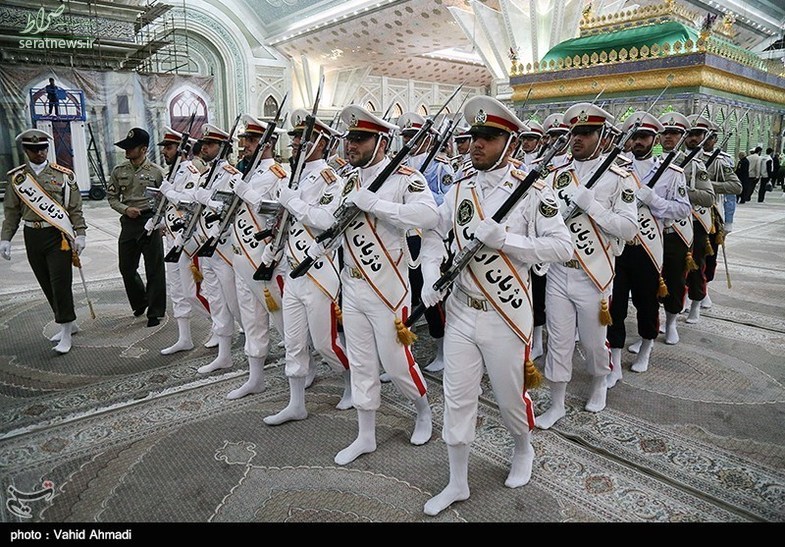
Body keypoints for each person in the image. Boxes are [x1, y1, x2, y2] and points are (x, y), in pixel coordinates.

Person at [419, 96, 572, 517]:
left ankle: (523, 448)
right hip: (461, 311)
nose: (477, 144)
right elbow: (433, 235)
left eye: (488, 137)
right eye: (474, 136)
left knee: (508, 398)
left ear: (510, 142)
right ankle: (457, 482)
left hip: (506, 312)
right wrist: (430, 274)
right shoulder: (459, 188)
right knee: (457, 398)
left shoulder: (534, 191)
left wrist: (508, 241)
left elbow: (563, 246)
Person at [316, 104, 438, 467]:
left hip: (388, 288)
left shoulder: (404, 178)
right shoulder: (348, 179)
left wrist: (378, 205)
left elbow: (429, 215)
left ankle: (423, 410)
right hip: (352, 285)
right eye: (349, 138)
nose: (350, 145)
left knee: (396, 363)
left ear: (381, 142)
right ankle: (365, 434)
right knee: (362, 363)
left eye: (360, 138)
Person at [535, 102, 638, 430]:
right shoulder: (556, 175)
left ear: (603, 136)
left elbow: (629, 229)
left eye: (586, 132)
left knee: (594, 342)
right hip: (558, 270)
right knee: (559, 340)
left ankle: (599, 382)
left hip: (594, 272)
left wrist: (593, 206)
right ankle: (557, 403)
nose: (577, 138)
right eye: (574, 132)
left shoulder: (619, 178)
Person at [260, 109, 353, 421]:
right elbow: (286, 222)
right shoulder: (293, 177)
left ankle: (351, 382)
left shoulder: (331, 180)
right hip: (292, 269)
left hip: (319, 272)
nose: (296, 143)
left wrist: (292, 202)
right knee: (294, 342)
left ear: (321, 142)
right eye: (296, 138)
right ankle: (296, 404)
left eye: (304, 138)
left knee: (326, 344)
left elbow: (326, 220)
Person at [606, 112, 690, 385]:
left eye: (643, 137)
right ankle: (614, 360)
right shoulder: (615, 167)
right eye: (634, 137)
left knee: (646, 302)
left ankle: (646, 347)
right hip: (619, 245)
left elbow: (682, 209)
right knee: (615, 305)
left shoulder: (672, 173)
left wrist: (654, 200)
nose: (638, 142)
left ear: (655, 139)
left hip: (649, 247)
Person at [2, 129, 86, 354]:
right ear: (25, 150)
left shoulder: (63, 175)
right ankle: (69, 323)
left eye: (43, 148)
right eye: (34, 149)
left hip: (58, 236)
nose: (39, 153)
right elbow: (11, 212)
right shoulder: (17, 178)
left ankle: (66, 331)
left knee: (60, 283)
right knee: (46, 282)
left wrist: (80, 233)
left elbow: (74, 208)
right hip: (32, 235)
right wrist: (5, 238)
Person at [224, 115, 287, 399]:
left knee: (282, 319)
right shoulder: (246, 172)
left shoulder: (276, 173)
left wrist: (244, 190)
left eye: (251, 140)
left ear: (267, 143)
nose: (244, 145)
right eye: (244, 140)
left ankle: (303, 367)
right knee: (251, 321)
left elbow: (275, 210)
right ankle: (255, 377)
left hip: (262, 258)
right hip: (240, 256)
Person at [185, 124, 243, 374]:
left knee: (236, 303)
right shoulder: (207, 174)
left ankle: (257, 345)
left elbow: (232, 207)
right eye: (204, 143)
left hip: (225, 248)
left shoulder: (232, 175)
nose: (204, 148)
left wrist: (207, 198)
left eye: (210, 144)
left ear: (222, 147)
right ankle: (224, 354)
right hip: (207, 246)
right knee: (217, 302)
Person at [397, 112, 453, 373]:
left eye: (415, 136)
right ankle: (400, 349)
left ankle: (441, 347)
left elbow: (447, 203)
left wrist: (421, 197)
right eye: (407, 136)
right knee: (403, 290)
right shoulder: (400, 166)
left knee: (428, 293)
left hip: (428, 236)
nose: (410, 141)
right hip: (404, 235)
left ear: (429, 138)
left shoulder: (440, 167)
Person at [153, 127, 211, 355]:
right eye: (164, 147)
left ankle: (221, 325)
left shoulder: (189, 171)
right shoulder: (173, 173)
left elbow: (190, 202)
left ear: (181, 149)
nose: (164, 152)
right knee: (177, 291)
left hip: (187, 239)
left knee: (193, 291)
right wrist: (158, 222)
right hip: (171, 237)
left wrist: (169, 192)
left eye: (169, 147)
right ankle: (184, 338)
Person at [107, 128, 167, 327]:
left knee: (154, 268)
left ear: (143, 149)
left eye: (131, 147)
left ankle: (155, 312)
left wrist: (162, 222)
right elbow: (112, 198)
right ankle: (140, 301)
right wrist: (125, 209)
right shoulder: (119, 171)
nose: (127, 150)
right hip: (129, 222)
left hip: (150, 221)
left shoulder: (157, 172)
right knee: (126, 267)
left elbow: (166, 199)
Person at [679, 115, 717, 325]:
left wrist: (685, 191)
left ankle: (696, 303)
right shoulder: (673, 159)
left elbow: (709, 197)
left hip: (697, 220)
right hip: (675, 221)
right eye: (689, 134)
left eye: (697, 134)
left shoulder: (706, 163)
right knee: (674, 269)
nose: (693, 139)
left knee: (697, 266)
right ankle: (678, 303)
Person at [700, 125, 741, 309]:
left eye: (709, 137)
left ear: (715, 140)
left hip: (712, 214)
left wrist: (728, 221)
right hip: (686, 214)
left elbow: (734, 189)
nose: (704, 140)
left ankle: (704, 290)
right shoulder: (683, 158)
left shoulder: (722, 160)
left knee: (709, 256)